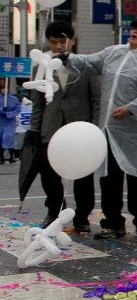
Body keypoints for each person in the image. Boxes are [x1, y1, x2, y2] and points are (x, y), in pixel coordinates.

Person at [64, 19, 137, 239]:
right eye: (134, 28)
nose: (135, 32)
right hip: (109, 127)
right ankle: (112, 222)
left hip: (135, 129)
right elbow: (90, 62)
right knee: (109, 177)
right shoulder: (114, 52)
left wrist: (130, 109)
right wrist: (67, 58)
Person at [30, 22, 98, 233]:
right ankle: (54, 210)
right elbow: (37, 102)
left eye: (63, 41)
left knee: (83, 175)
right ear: (48, 42)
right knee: (49, 174)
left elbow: (96, 99)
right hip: (50, 128)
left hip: (80, 129)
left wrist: (95, 129)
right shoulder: (39, 66)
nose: (59, 46)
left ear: (72, 40)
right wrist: (34, 129)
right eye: (54, 42)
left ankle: (82, 216)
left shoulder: (86, 65)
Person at [0, 85, 20, 163]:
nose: (4, 90)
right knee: (0, 139)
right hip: (1, 121)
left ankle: (12, 157)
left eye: (5, 88)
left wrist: (8, 114)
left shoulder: (14, 99)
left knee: (8, 138)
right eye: (2, 89)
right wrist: (1, 110)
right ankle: (1, 158)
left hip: (10, 122)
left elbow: (18, 109)